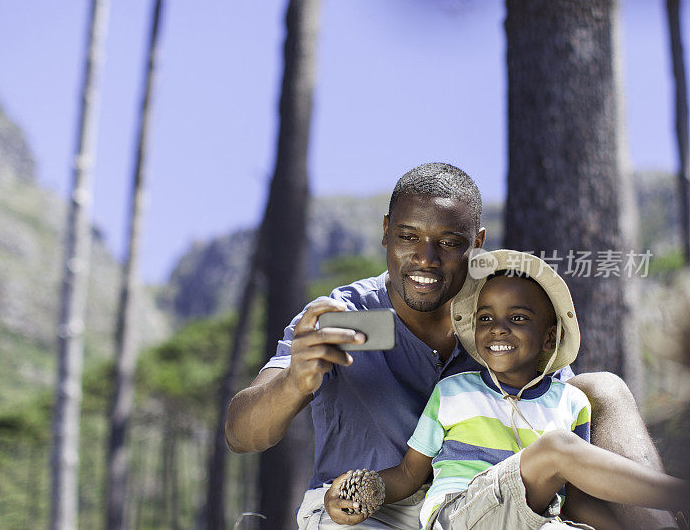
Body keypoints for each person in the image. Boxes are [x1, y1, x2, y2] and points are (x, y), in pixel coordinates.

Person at [225, 163, 678, 529]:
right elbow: (242, 434)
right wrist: (293, 383)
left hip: (482, 507)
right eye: (408, 237)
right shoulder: (341, 313)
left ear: (476, 244)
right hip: (366, 509)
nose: (426, 258)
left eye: (449, 242)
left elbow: (556, 422)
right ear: (386, 232)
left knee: (602, 387)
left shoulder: (500, 318)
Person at [323, 250, 688, 529]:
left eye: (517, 318)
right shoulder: (454, 393)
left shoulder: (570, 401)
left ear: (549, 337)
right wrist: (361, 488)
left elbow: (573, 496)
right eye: (485, 319)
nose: (498, 328)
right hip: (462, 513)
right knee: (557, 449)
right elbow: (407, 474)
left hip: (538, 519)